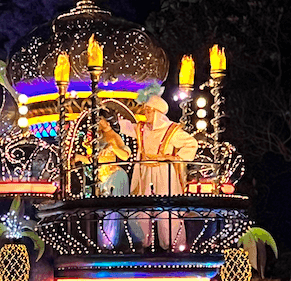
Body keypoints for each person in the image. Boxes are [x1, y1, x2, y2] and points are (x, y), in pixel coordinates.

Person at [120, 94, 198, 250]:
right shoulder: (141, 129)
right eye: (146, 110)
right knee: (142, 210)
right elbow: (124, 126)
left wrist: (172, 158)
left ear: (157, 113)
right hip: (144, 173)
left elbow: (191, 144)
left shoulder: (171, 130)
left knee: (167, 211)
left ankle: (173, 247)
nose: (146, 114)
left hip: (164, 173)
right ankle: (141, 246)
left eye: (149, 111)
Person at [72, 109, 131, 248]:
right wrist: (80, 158)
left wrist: (113, 148)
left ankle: (112, 243)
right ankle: (104, 243)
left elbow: (125, 155)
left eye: (100, 119)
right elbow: (93, 160)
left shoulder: (113, 135)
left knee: (112, 211)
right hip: (102, 178)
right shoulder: (96, 138)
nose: (98, 122)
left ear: (106, 120)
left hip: (115, 176)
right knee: (102, 211)